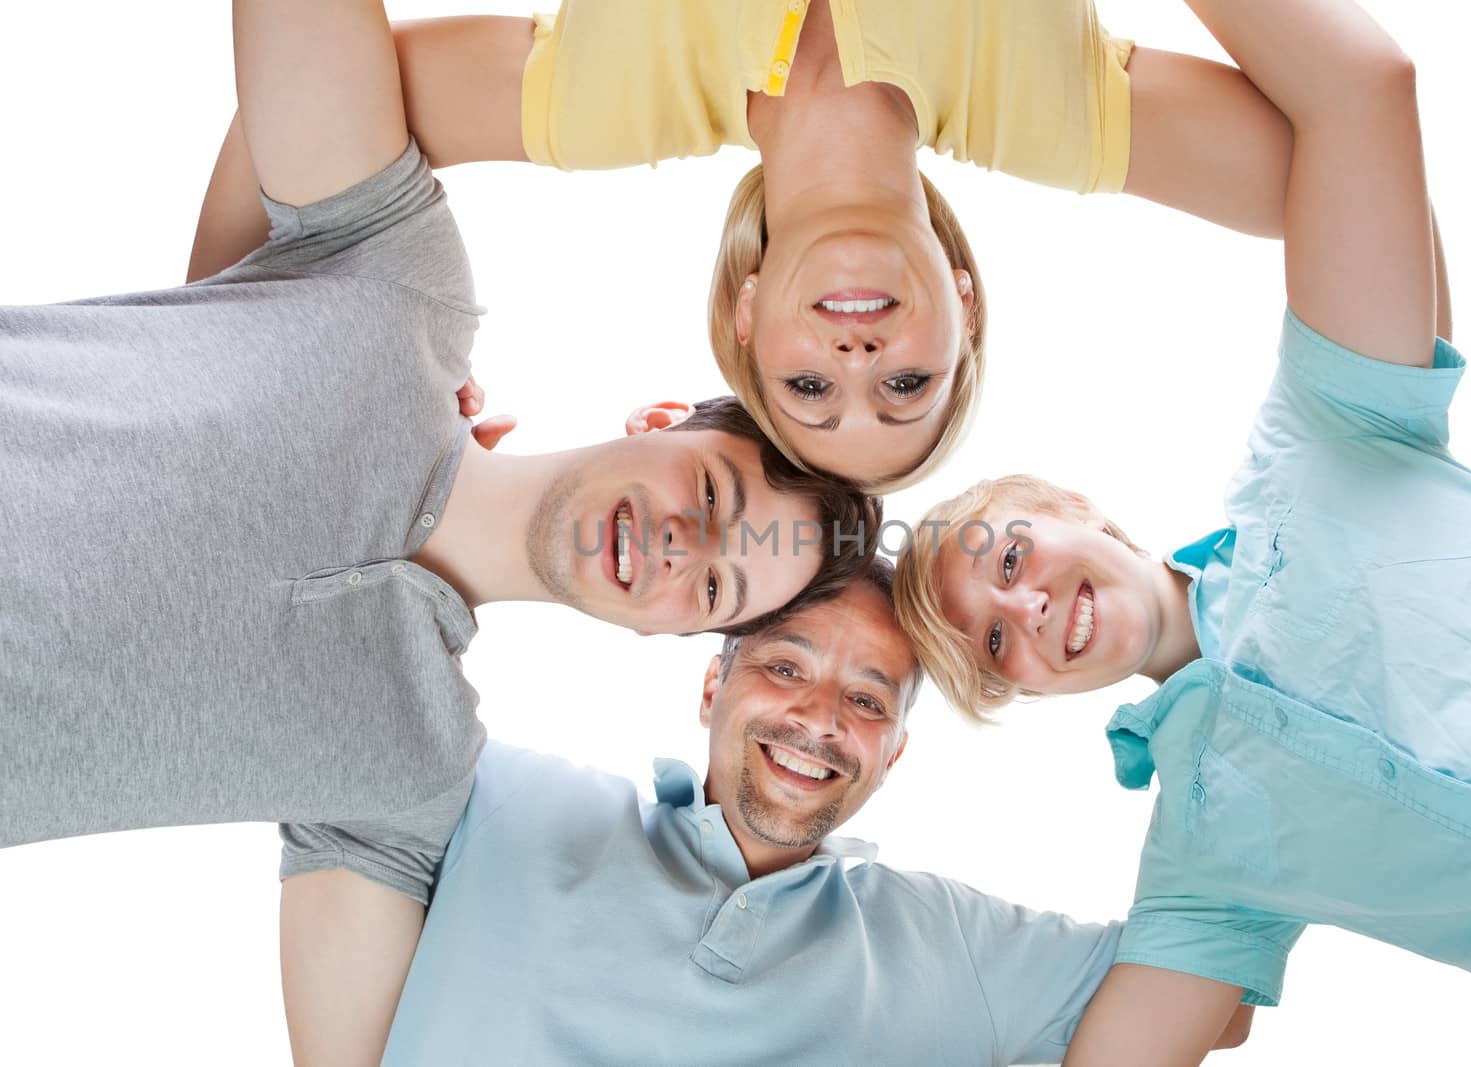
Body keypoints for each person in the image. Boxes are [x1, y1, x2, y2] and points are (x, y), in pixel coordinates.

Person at [0, 0, 878, 913]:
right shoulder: (401, 290)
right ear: (660, 418)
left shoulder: (405, 770)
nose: (680, 547)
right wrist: (789, 117)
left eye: (710, 589)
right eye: (709, 494)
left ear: (661, 635)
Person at [892, 0, 1471, 1062]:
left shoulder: (1325, 441)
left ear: (1078, 505)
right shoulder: (1203, 864)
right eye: (995, 642)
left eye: (1008, 554)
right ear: (1025, 692)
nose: (1027, 606)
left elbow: (1364, 91)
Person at [186, 0, 1297, 491]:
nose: (859, 368)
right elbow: (1347, 176)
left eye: (810, 388)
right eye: (907, 385)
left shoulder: (605, 106)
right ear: (965, 298)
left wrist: (270, 410)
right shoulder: (1057, 116)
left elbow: (299, 109)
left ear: (746, 318)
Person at [284, 556, 1254, 1064]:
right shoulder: (507, 800)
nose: (819, 718)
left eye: (867, 698)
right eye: (785, 666)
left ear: (894, 750)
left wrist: (1192, 652)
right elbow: (331, 683)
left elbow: (1216, 989)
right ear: (714, 683)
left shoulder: (949, 945)